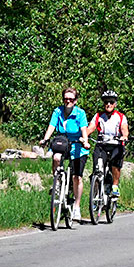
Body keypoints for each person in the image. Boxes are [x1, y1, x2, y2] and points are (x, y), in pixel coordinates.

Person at [40, 87, 90, 221]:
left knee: (76, 177)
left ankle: (77, 207)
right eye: (65, 99)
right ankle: (57, 183)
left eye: (71, 99)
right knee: (56, 157)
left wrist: (85, 141)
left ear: (75, 101)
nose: (68, 101)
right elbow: (51, 126)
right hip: (63, 142)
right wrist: (45, 139)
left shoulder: (80, 113)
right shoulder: (58, 111)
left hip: (78, 145)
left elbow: (84, 129)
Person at [85, 90, 129, 198]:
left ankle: (115, 186)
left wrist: (124, 136)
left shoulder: (120, 116)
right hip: (102, 145)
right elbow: (91, 128)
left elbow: (124, 129)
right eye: (106, 102)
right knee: (96, 169)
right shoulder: (98, 116)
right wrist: (83, 135)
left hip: (116, 144)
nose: (108, 104)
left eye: (111, 102)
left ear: (115, 104)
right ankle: (95, 195)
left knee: (115, 165)